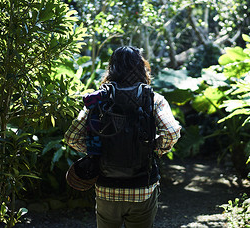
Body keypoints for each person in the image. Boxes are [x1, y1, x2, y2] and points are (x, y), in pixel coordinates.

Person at [64, 46, 181, 228]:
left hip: (106, 187)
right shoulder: (153, 98)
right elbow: (172, 132)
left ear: (112, 68)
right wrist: (153, 149)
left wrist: (97, 152)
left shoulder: (99, 98)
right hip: (142, 187)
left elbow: (71, 137)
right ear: (141, 68)